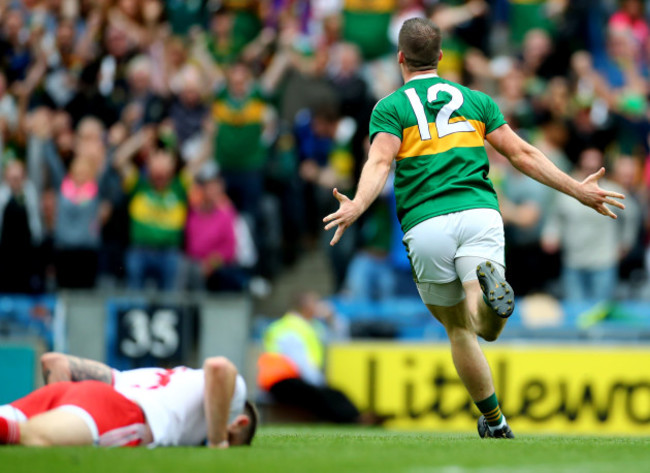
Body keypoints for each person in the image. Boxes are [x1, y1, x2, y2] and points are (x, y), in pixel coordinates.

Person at [323, 18, 625, 439]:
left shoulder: (389, 107)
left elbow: (378, 163)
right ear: (442, 57)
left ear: (400, 58)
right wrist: (576, 188)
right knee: (485, 324)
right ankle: (490, 299)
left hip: (426, 221)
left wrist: (356, 203)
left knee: (459, 330)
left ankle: (495, 420)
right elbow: (521, 153)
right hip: (479, 211)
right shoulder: (475, 100)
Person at [0, 353, 257, 448]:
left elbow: (55, 362)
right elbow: (219, 366)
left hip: (70, 393)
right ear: (239, 422)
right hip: (122, 412)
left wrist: (63, 409)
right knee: (33, 439)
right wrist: (218, 440)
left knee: (9, 432)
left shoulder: (161, 377)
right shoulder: (236, 398)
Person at [258, 291, 373, 424]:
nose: (319, 306)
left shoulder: (312, 326)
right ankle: (355, 419)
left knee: (334, 393)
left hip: (293, 379)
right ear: (305, 306)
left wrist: (332, 318)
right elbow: (301, 363)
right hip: (280, 381)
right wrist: (319, 383)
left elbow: (341, 338)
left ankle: (357, 417)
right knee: (324, 394)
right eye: (315, 302)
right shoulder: (289, 328)